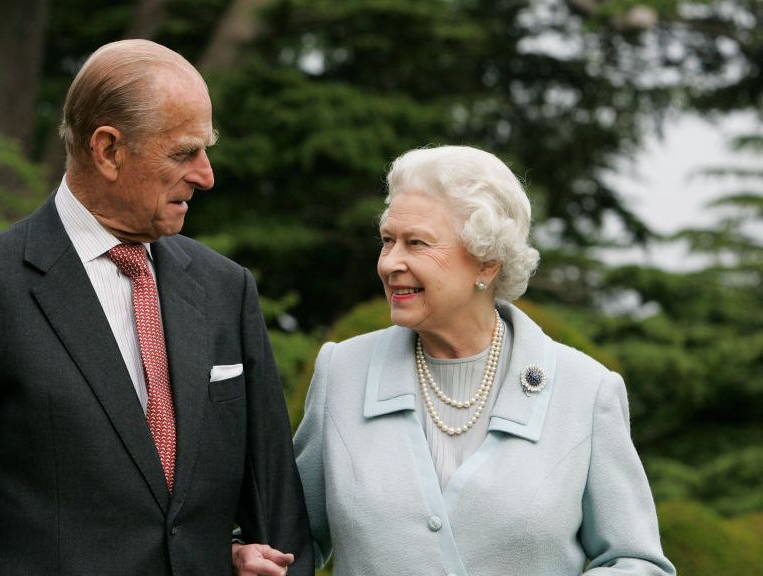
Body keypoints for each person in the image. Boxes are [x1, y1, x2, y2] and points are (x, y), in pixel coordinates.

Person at [0, 39, 312, 576]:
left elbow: (277, 516)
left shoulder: (226, 289)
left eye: (206, 150)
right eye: (184, 152)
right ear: (108, 150)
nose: (206, 175)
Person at [232, 145, 675, 575]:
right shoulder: (342, 372)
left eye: (417, 243)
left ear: (487, 263)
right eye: (388, 241)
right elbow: (287, 540)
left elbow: (636, 561)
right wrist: (240, 553)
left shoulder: (586, 391)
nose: (390, 263)